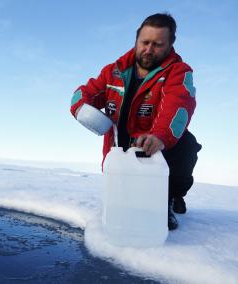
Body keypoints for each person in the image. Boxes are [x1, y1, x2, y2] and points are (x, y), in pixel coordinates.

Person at [70, 13, 201, 230]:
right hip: (120, 150)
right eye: (145, 42)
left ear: (170, 45)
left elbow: (178, 107)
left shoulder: (179, 72)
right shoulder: (114, 70)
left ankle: (170, 198)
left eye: (158, 44)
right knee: (127, 202)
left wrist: (159, 136)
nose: (149, 49)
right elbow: (85, 92)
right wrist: (80, 107)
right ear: (136, 40)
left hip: (156, 148)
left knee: (187, 144)